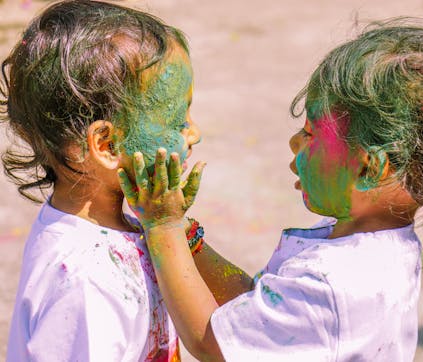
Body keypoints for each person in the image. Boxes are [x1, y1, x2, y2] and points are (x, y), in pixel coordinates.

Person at [118, 19, 423, 361]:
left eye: (310, 132)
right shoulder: (379, 248)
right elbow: (257, 312)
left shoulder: (333, 281)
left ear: (369, 166)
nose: (293, 143)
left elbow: (212, 341)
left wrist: (163, 227)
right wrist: (189, 239)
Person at [1, 1, 251, 361]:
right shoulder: (86, 280)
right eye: (178, 119)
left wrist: (174, 228)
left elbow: (243, 313)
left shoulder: (126, 227)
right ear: (107, 145)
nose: (194, 133)